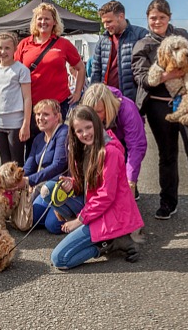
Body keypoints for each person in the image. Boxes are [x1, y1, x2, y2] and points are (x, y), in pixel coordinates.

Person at [131, 0, 188, 225]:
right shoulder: (143, 44)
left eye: (162, 17)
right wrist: (169, 75)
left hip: (187, 101)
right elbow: (142, 78)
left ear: (169, 17)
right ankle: (168, 202)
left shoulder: (184, 36)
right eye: (153, 18)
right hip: (159, 107)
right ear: (147, 19)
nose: (157, 21)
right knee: (167, 156)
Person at [50, 105, 144, 269]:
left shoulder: (111, 152)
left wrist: (79, 221)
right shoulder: (85, 147)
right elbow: (88, 184)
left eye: (88, 127)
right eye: (79, 131)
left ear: (96, 123)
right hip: (95, 209)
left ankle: (110, 243)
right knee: (50, 190)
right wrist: (72, 183)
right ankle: (104, 239)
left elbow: (105, 196)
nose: (85, 134)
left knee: (60, 259)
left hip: (110, 214)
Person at [14, 2, 85, 153]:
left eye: (47, 19)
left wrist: (78, 92)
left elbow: (80, 67)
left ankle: (54, 176)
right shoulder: (24, 44)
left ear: (54, 22)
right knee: (33, 147)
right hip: (32, 106)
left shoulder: (63, 44)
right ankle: (33, 176)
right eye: (39, 18)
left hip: (57, 104)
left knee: (54, 146)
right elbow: (15, 73)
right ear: (35, 21)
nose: (43, 22)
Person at [81, 83, 146, 199]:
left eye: (98, 112)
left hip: (124, 140)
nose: (94, 117)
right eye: (91, 112)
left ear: (108, 106)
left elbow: (136, 146)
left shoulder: (128, 109)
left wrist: (131, 180)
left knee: (124, 174)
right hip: (106, 140)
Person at [24, 99, 70, 234]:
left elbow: (58, 165)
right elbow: (28, 166)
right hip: (43, 185)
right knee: (29, 220)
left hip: (60, 185)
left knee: (53, 226)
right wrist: (17, 179)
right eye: (37, 114)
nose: (40, 118)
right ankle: (50, 210)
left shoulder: (63, 132)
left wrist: (30, 180)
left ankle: (74, 215)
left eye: (45, 114)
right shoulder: (39, 138)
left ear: (57, 116)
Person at [0, 32, 31, 166]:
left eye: (7, 48)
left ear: (14, 49)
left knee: (16, 161)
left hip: (15, 122)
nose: (3, 51)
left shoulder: (21, 70)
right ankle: (6, 187)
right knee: (4, 161)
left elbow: (27, 98)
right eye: (0, 48)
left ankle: (19, 187)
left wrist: (26, 124)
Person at [90, 0, 148, 101]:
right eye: (103, 23)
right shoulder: (103, 40)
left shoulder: (140, 35)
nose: (105, 26)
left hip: (132, 99)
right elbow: (96, 71)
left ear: (121, 17)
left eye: (109, 21)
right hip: (107, 100)